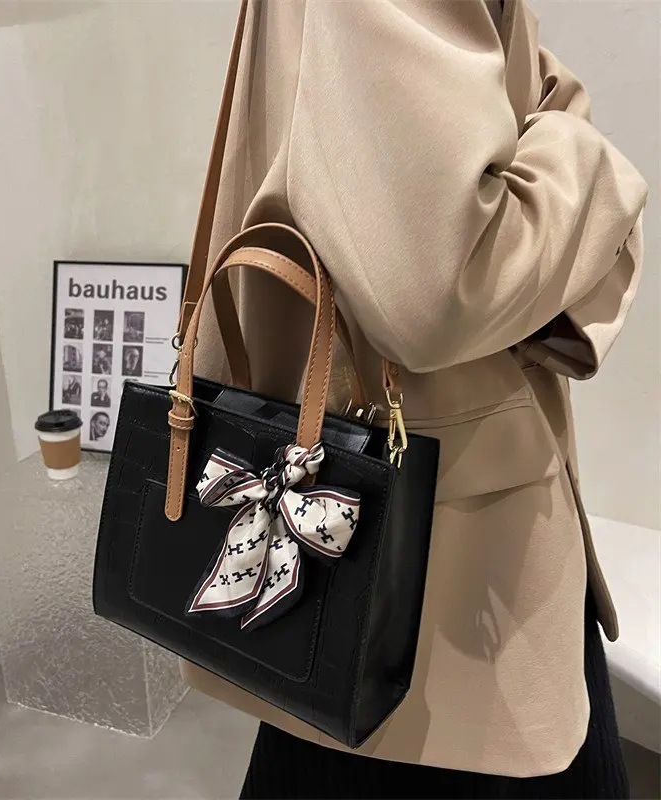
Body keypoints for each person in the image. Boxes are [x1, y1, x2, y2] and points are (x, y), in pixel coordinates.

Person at [183, 1, 648, 797]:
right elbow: (447, 285)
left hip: (384, 551)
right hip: (448, 580)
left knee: (323, 712)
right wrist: (584, 150)